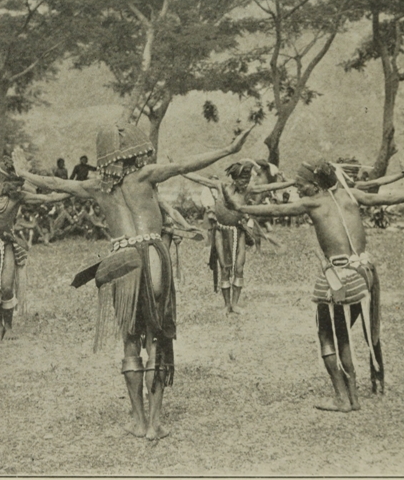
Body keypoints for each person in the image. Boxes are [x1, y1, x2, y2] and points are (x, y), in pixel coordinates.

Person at [13, 121, 253, 440]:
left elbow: (55, 183)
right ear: (136, 152)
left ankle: (139, 422)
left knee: (130, 341)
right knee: (156, 338)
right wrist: (229, 149)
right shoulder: (145, 175)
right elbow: (185, 164)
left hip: (120, 257)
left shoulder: (96, 186)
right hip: (153, 253)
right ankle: (155, 424)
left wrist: (24, 173)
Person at [228, 159, 404, 411]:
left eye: (301, 185)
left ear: (315, 185)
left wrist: (240, 208)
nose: (298, 189)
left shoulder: (313, 202)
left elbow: (274, 212)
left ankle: (342, 399)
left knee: (328, 336)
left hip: (343, 276)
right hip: (366, 271)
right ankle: (354, 397)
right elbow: (388, 199)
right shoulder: (350, 195)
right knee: (344, 335)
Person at [0, 158, 70, 341]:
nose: (17, 186)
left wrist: (73, 191)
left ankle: (9, 326)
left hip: (5, 244)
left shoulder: (20, 196)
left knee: (6, 287)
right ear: (4, 179)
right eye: (14, 182)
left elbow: (47, 198)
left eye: (20, 183)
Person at [183, 160, 295, 315]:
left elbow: (269, 187)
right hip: (220, 232)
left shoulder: (248, 190)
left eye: (247, 180)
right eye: (242, 180)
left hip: (238, 231)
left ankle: (235, 304)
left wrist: (292, 182)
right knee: (224, 267)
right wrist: (180, 170)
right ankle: (226, 304)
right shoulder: (220, 187)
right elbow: (199, 179)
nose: (245, 184)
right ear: (234, 179)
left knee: (239, 267)